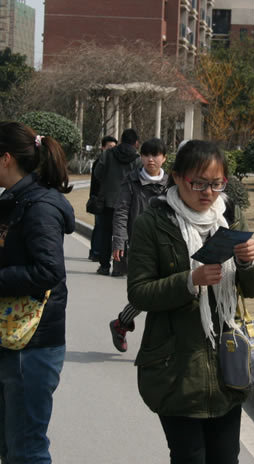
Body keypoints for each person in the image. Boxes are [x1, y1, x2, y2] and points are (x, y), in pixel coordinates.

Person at [128, 140, 254, 464]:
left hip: (226, 368)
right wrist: (190, 281)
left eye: (216, 184)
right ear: (176, 178)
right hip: (175, 369)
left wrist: (248, 262)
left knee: (226, 458)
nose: (208, 193)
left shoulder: (230, 216)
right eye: (199, 183)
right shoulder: (154, 222)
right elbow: (139, 291)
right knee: (190, 457)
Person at [0, 121, 75, 464]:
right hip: (13, 340)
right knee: (10, 445)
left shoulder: (39, 207)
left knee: (27, 449)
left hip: (32, 343)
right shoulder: (21, 200)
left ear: (6, 159)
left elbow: (48, 271)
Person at [108, 138, 168, 350]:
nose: (151, 159)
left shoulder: (172, 184)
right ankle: (123, 324)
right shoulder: (131, 181)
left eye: (156, 155)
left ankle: (122, 323)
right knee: (146, 292)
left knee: (162, 292)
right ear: (140, 157)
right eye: (146, 155)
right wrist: (119, 240)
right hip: (140, 246)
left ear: (164, 158)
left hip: (167, 246)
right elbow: (122, 211)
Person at [92, 128, 141, 275]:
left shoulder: (108, 154)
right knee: (123, 235)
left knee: (105, 234)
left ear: (121, 139)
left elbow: (98, 173)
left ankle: (104, 266)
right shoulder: (137, 159)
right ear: (136, 143)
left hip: (108, 200)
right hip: (127, 203)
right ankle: (119, 267)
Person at [88, 135, 117, 261]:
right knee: (99, 226)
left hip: (105, 199)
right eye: (109, 147)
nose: (112, 150)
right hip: (99, 199)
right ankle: (95, 252)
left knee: (101, 226)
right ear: (103, 147)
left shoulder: (110, 161)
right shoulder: (99, 161)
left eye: (114, 147)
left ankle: (96, 251)